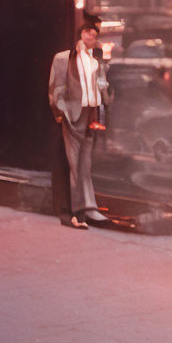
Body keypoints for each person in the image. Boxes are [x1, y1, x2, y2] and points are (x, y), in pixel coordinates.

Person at [48, 21, 110, 229]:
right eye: (91, 35)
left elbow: (101, 87)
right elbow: (56, 89)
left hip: (91, 113)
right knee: (74, 164)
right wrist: (62, 113)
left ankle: (88, 207)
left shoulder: (95, 61)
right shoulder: (64, 58)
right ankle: (76, 213)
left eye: (96, 36)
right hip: (74, 115)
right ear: (82, 34)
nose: (94, 39)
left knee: (85, 164)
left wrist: (105, 92)